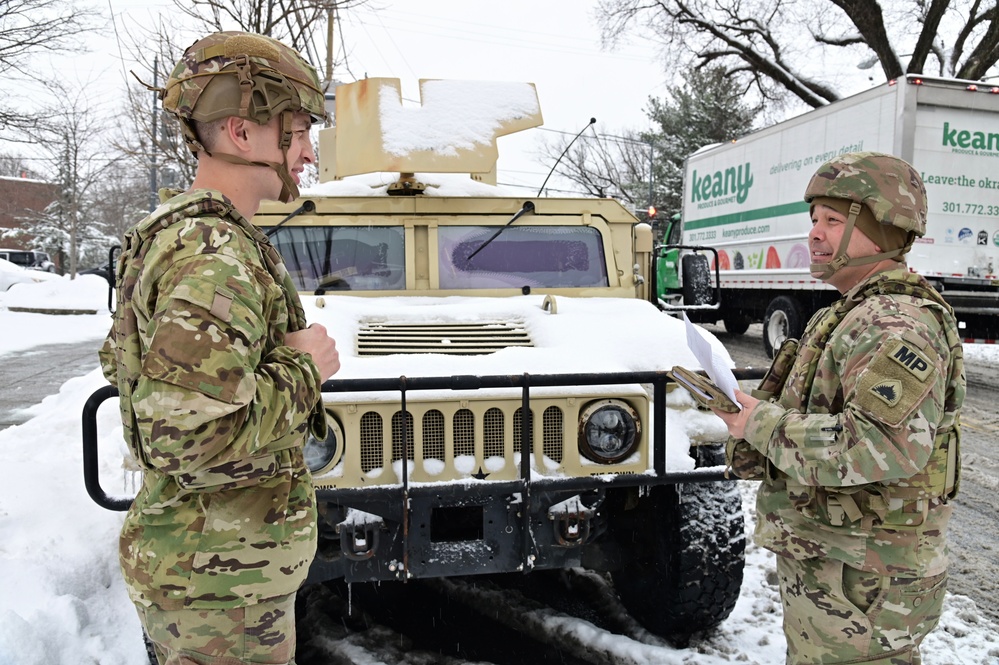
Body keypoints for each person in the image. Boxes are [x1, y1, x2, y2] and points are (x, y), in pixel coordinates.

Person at [99, 31, 339, 664]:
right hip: (218, 592)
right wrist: (304, 369)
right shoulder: (215, 259)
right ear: (242, 132)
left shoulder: (193, 240)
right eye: (300, 130)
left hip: (212, 576)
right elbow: (182, 435)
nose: (309, 153)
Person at [715, 152, 965, 665]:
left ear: (885, 230)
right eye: (813, 220)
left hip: (866, 579)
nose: (814, 233)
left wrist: (756, 422)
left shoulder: (892, 325)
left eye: (833, 220)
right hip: (841, 566)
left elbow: (879, 447)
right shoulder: (850, 313)